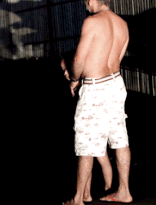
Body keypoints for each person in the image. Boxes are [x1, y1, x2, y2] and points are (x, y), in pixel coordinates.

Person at [64, 0, 132, 205]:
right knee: (120, 139)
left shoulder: (91, 22)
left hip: (95, 88)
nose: (86, 6)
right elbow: (117, 59)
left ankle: (78, 199)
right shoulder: (122, 24)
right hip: (116, 83)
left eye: (86, 1)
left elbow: (79, 59)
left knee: (86, 142)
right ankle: (124, 191)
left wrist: (74, 79)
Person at [61, 53, 113, 202]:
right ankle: (89, 193)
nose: (64, 73)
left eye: (65, 69)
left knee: (89, 157)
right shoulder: (87, 81)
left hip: (92, 126)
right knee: (92, 158)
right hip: (98, 124)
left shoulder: (83, 84)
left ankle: (104, 189)